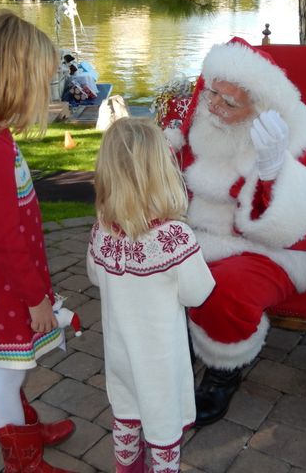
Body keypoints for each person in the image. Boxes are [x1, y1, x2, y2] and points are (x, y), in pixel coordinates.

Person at [164, 36, 306, 426]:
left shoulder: (294, 135)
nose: (214, 105)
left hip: (272, 248)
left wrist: (274, 171)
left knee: (225, 287)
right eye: (212, 93)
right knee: (153, 259)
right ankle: (170, 346)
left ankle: (222, 369)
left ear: (258, 108)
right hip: (203, 231)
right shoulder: (201, 119)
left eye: (229, 102)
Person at [0, 9, 75, 473]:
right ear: (13, 82)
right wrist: (37, 299)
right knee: (11, 370)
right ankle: (21, 459)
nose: (42, 95)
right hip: (8, 285)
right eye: (39, 84)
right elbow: (5, 240)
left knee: (6, 363)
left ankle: (22, 424)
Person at [87, 117, 216, 473]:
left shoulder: (102, 229)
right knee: (162, 426)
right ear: (160, 171)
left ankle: (126, 468)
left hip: (120, 351)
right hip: (160, 360)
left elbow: (96, 276)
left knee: (126, 414)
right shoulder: (175, 237)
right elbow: (198, 293)